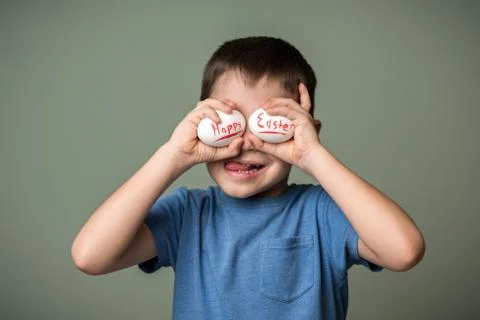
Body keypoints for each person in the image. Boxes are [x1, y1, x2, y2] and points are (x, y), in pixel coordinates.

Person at [71, 36, 425, 319]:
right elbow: (90, 256)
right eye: (228, 123)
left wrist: (312, 156)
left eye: (268, 126)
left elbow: (404, 251)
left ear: (303, 131)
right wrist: (173, 154)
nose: (244, 143)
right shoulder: (187, 215)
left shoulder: (322, 214)